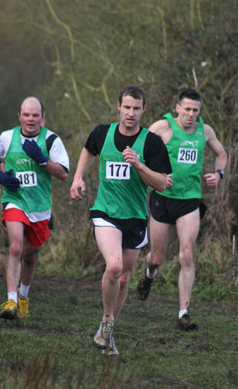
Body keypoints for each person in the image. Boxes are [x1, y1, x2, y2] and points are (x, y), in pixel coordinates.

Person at [70, 85, 172, 355]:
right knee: (114, 267)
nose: (131, 113)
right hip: (105, 212)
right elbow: (88, 150)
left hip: (136, 218)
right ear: (118, 106)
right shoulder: (102, 133)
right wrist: (79, 176)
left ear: (144, 110)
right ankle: (106, 322)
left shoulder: (151, 143)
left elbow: (162, 183)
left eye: (136, 108)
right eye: (126, 107)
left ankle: (108, 333)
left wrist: (139, 165)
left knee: (125, 278)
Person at [137, 89, 227, 330]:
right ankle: (149, 274)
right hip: (162, 198)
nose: (191, 115)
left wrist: (219, 174)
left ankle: (183, 312)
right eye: (186, 109)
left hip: (190, 200)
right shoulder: (162, 128)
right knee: (157, 257)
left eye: (195, 111)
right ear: (177, 108)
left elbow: (221, 154)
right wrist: (151, 174)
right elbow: (138, 149)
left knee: (186, 254)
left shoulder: (204, 131)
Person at [0, 96, 69, 320]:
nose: (30, 119)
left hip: (40, 206)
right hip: (14, 199)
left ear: (42, 117)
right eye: (26, 115)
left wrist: (42, 160)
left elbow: (63, 173)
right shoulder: (7, 137)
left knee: (30, 255)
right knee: (15, 247)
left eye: (35, 115)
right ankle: (11, 301)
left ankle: (23, 297)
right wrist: (1, 176)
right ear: (19, 116)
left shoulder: (51, 140)